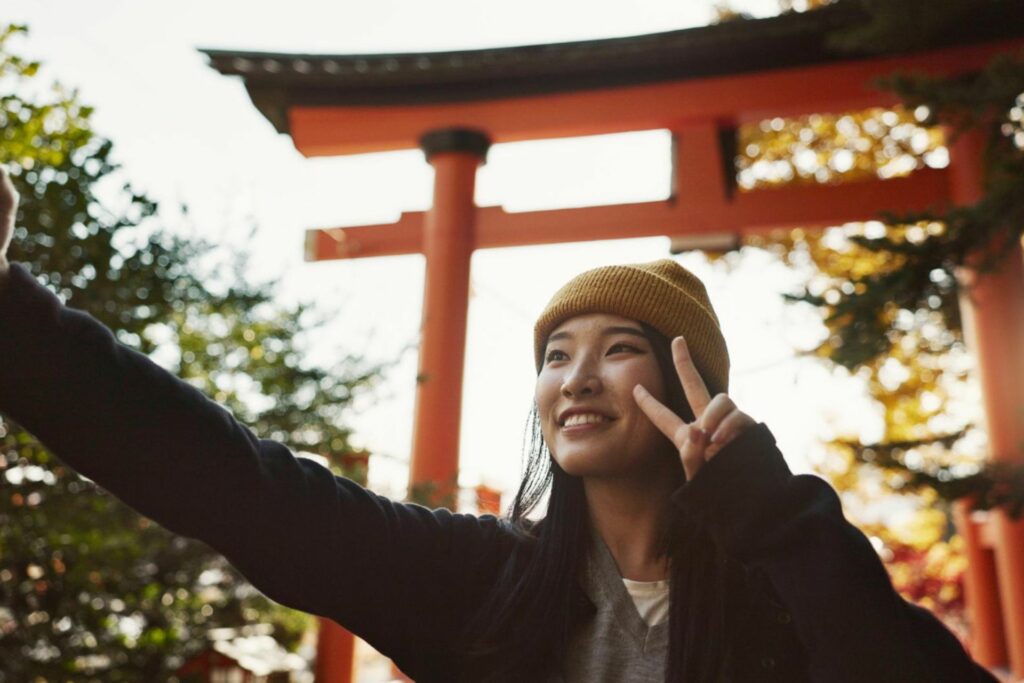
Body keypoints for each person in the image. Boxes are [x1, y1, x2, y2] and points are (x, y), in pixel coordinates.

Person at [0, 166, 997, 682]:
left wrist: (774, 513)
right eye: (555, 351)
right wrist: (12, 313)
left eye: (618, 346)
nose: (576, 374)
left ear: (692, 386)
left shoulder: (779, 592)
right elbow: (240, 487)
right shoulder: (482, 581)